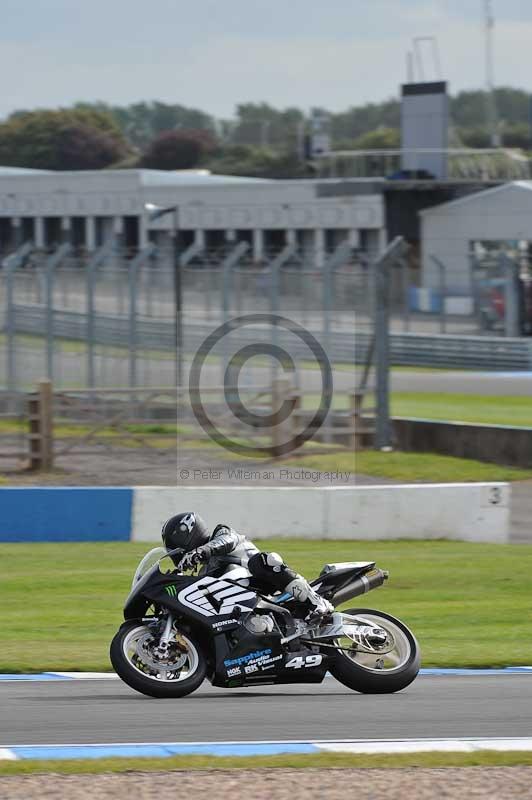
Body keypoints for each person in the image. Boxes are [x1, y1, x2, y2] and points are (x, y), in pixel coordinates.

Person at [161, 511, 334, 622]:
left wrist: (202, 550)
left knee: (263, 560)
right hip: (247, 601)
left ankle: (316, 601)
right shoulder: (205, 570)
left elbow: (226, 542)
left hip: (266, 583)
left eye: (174, 546)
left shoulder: (221, 533)